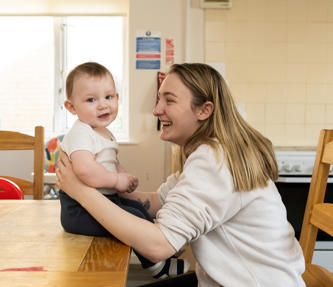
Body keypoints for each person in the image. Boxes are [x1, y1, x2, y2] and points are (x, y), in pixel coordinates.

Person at [56, 63, 306, 287]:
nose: (156, 110)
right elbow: (158, 201)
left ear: (204, 110)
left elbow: (158, 246)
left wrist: (81, 192)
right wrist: (111, 186)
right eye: (158, 100)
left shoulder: (214, 162)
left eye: (169, 100)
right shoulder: (209, 153)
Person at [59, 62, 189, 279]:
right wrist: (117, 181)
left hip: (101, 201)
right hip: (79, 210)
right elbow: (84, 169)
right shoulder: (81, 133)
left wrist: (123, 175)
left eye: (109, 97)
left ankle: (163, 253)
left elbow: (110, 161)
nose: (103, 105)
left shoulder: (103, 132)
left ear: (117, 98)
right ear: (71, 107)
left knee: (138, 209)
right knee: (132, 216)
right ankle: (157, 265)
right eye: (91, 100)